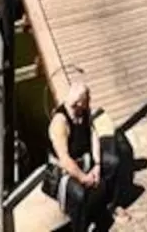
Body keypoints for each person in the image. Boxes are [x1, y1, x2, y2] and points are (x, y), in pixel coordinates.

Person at [42, 74, 128, 229]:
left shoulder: (84, 111)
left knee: (113, 162)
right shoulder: (60, 123)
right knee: (79, 195)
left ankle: (110, 204)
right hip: (64, 171)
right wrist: (83, 178)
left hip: (86, 160)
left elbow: (93, 134)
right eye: (86, 102)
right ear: (77, 104)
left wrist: (97, 164)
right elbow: (65, 159)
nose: (88, 105)